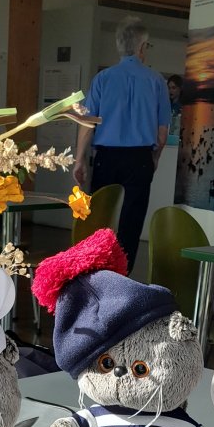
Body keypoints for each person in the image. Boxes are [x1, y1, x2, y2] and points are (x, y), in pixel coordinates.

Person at [73, 16, 171, 274]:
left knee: (101, 216)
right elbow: (162, 134)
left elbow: (87, 124)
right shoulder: (157, 81)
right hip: (140, 159)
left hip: (106, 158)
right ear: (142, 47)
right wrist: (155, 159)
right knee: (132, 221)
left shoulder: (102, 79)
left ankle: (96, 272)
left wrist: (80, 159)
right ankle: (122, 275)